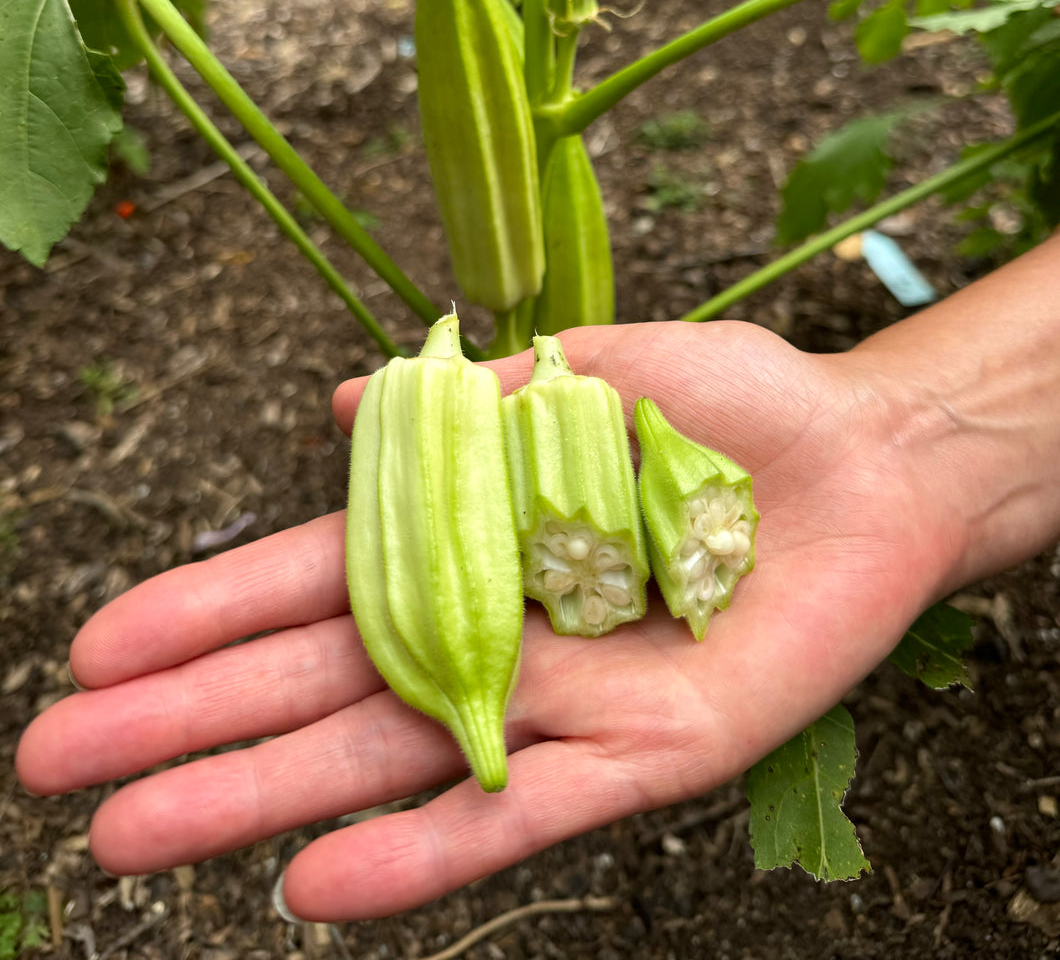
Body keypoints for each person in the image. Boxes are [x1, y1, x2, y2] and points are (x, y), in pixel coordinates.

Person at [16, 233, 1060, 923]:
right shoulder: (473, 424)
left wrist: (895, 448)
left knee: (559, 562)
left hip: (537, 570)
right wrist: (908, 438)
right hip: (499, 609)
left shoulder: (575, 440)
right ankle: (477, 712)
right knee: (555, 565)